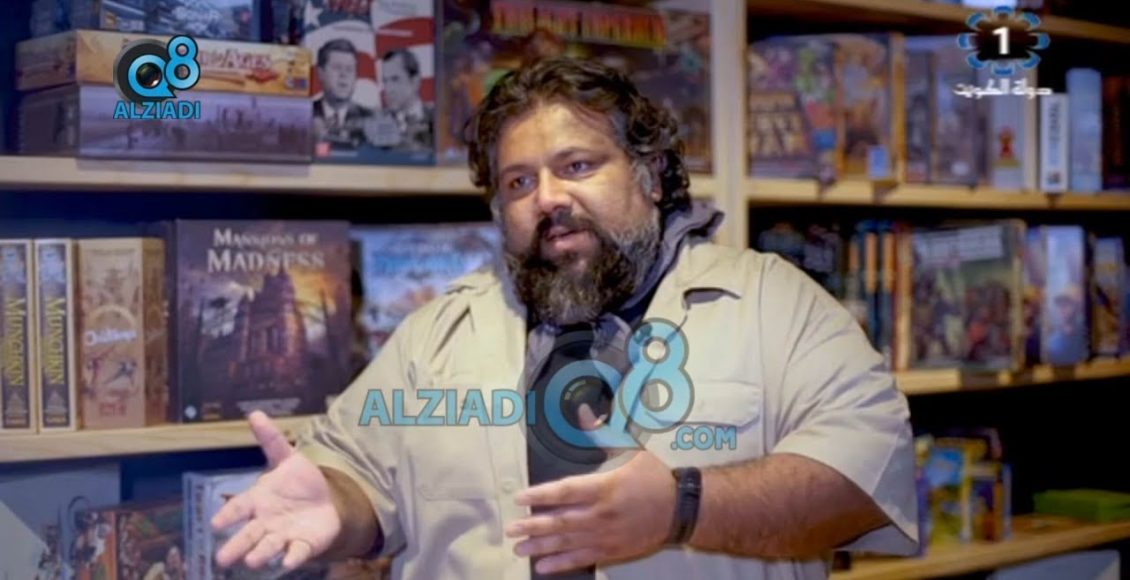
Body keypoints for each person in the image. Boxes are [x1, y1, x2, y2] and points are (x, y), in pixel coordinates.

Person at [212, 57, 918, 580]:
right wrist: (339, 509)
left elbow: (864, 482)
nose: (547, 198)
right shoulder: (438, 332)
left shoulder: (771, 302)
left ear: (649, 175)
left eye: (577, 166)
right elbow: (362, 480)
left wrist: (684, 507)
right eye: (519, 182)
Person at [313, 38, 375, 150]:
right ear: (320, 73)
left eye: (349, 69)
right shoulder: (306, 114)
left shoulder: (371, 118)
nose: (344, 75)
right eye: (337, 68)